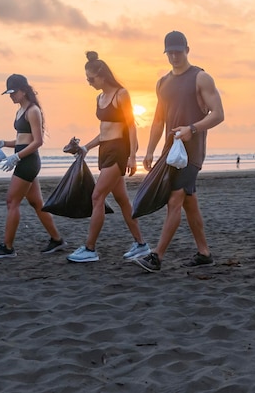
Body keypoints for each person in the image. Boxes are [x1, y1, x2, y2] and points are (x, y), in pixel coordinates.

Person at [133, 31, 225, 273]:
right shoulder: (162, 83)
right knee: (188, 202)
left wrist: (192, 129)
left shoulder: (201, 77)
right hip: (169, 152)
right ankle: (204, 253)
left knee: (174, 200)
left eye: (178, 51)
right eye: (170, 52)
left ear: (187, 49)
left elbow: (218, 114)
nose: (174, 56)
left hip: (191, 153)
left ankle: (157, 256)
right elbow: (157, 120)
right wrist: (150, 151)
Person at [65, 52, 150, 263]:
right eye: (87, 79)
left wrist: (132, 156)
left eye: (91, 79)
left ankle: (90, 248)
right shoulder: (99, 98)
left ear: (102, 76)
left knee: (97, 197)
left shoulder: (121, 94)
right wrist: (84, 147)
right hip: (105, 149)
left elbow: (130, 125)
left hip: (119, 150)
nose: (89, 83)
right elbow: (104, 132)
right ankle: (141, 245)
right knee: (122, 200)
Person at [0, 74, 66, 258]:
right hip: (24, 159)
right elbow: (23, 140)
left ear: (23, 90)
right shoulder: (20, 110)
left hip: (28, 162)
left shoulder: (33, 110)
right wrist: (3, 143)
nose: (11, 96)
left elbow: (37, 142)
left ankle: (8, 247)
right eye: (8, 93)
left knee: (11, 201)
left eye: (13, 92)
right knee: (37, 203)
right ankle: (57, 239)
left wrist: (17, 157)